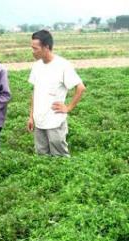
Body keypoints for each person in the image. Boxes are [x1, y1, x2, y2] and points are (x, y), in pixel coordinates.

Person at [27, 29, 86, 157]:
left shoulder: (63, 65)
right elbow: (35, 93)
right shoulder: (36, 66)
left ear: (46, 47)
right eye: (32, 48)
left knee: (60, 157)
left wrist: (68, 107)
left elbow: (80, 88)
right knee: (42, 157)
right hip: (39, 121)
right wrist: (31, 116)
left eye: (35, 48)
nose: (33, 51)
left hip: (54, 121)